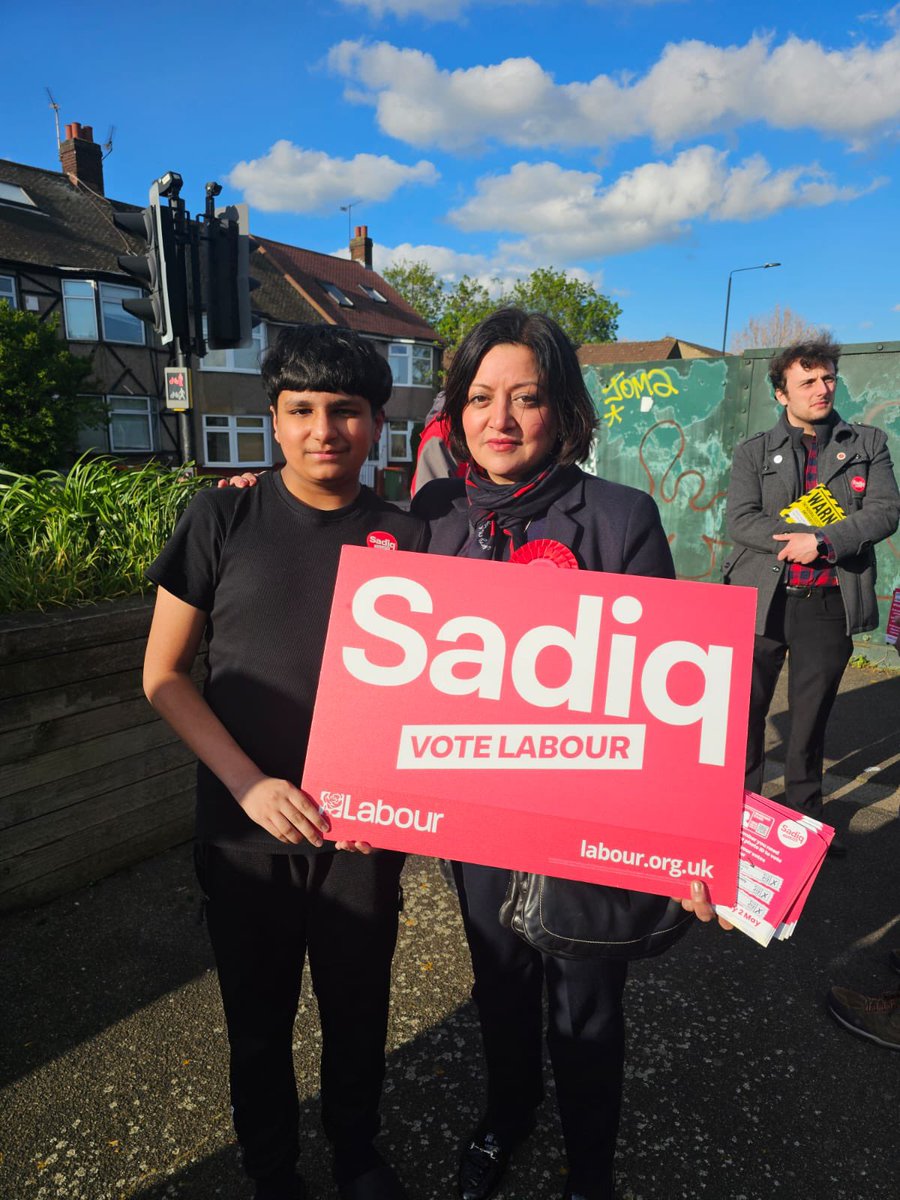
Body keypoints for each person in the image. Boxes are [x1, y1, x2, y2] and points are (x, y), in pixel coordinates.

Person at [411, 308, 728, 1200]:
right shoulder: (431, 516)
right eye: (478, 398)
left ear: (563, 410)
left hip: (588, 823)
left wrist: (687, 843)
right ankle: (506, 1117)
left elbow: (669, 705)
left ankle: (590, 1165)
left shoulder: (622, 516)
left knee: (586, 1007)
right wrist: (246, 493)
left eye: (526, 397)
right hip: (472, 814)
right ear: (455, 413)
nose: (499, 419)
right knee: (498, 986)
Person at [142, 325, 427, 1200]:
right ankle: (271, 1169)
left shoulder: (408, 537)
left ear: (379, 423)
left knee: (357, 1014)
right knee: (257, 1026)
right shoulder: (219, 514)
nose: (322, 430)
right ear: (273, 418)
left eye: (345, 411)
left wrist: (403, 802)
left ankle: (355, 1151)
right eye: (300, 410)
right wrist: (247, 782)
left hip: (361, 837)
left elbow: (434, 700)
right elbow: (161, 676)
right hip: (243, 833)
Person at [724, 339, 900, 852]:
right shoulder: (753, 451)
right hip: (760, 600)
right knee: (745, 719)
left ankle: (802, 831)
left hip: (828, 603)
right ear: (782, 393)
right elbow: (740, 520)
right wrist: (793, 539)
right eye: (808, 382)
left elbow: (885, 510)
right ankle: (733, 825)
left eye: (828, 378)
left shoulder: (867, 442)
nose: (822, 389)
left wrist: (823, 541)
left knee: (808, 724)